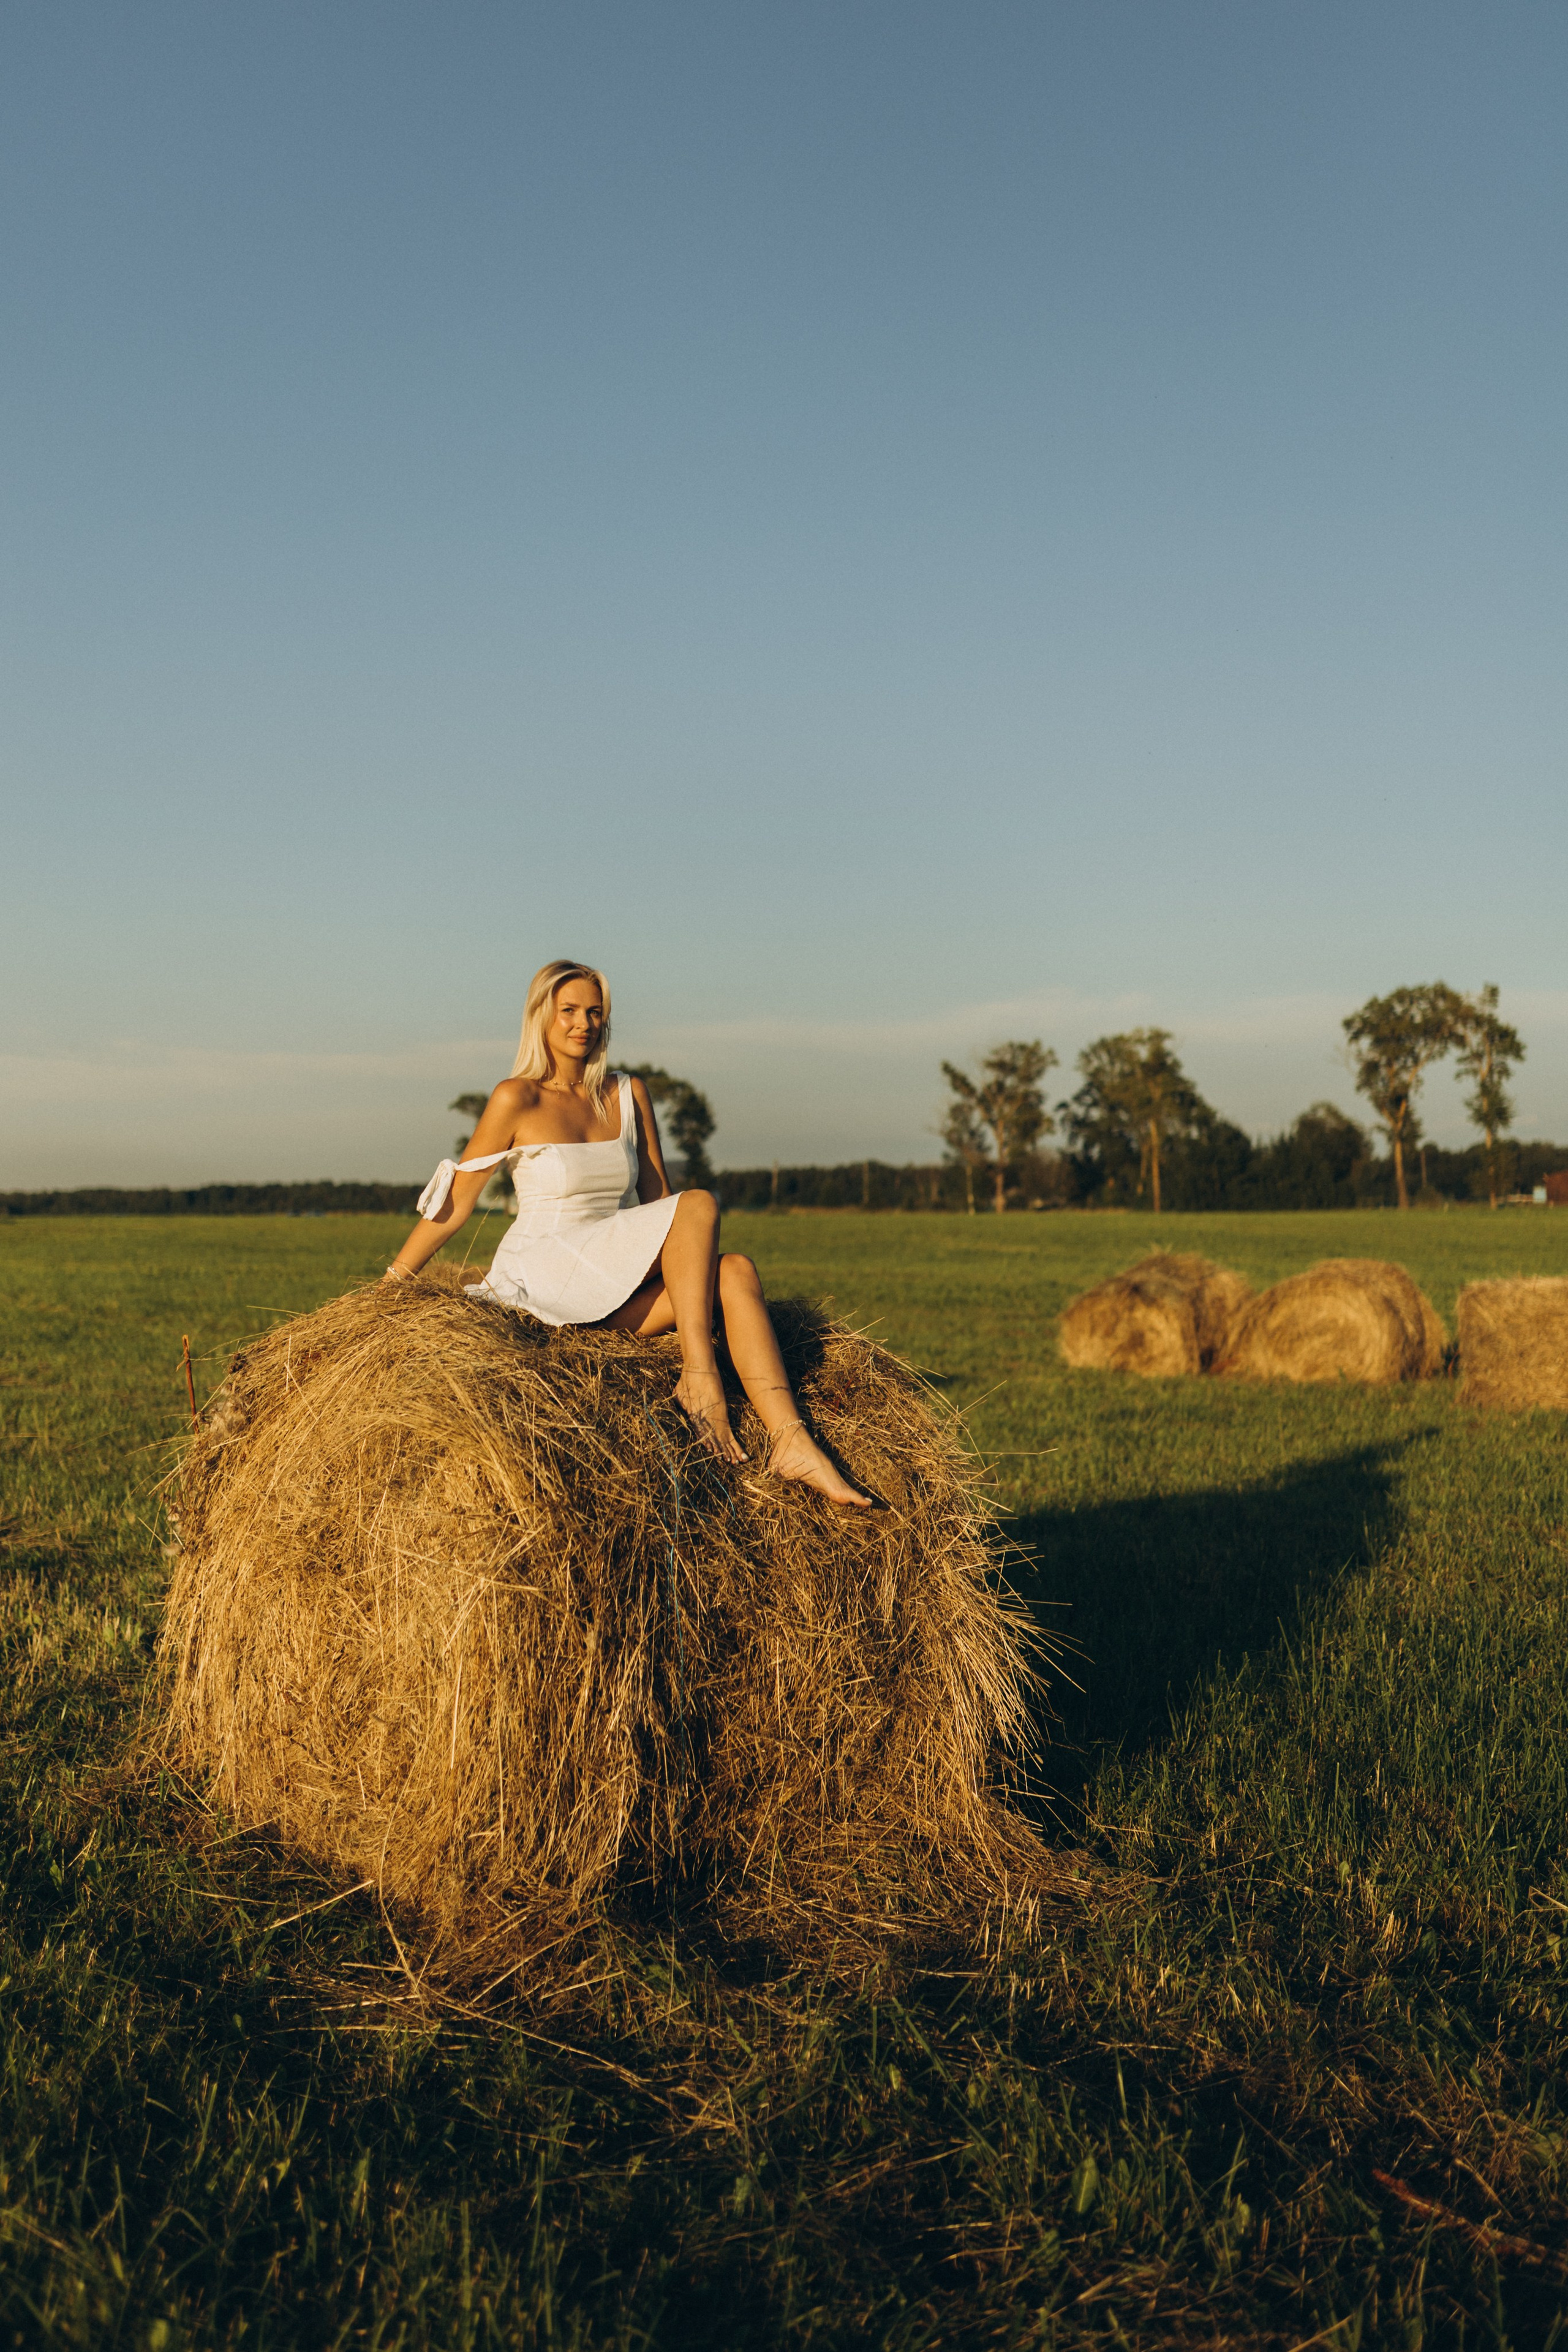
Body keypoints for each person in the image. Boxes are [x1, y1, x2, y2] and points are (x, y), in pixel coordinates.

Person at [385, 959, 872, 1509]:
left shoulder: (626, 1093)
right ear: (541, 1017)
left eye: (595, 1012)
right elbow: (456, 1204)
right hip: (546, 1272)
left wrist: (692, 1272)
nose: (583, 1023)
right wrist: (394, 1283)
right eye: (568, 1011)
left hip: (608, 1272)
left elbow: (659, 1202)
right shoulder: (515, 1098)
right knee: (701, 1203)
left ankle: (792, 1441)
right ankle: (699, 1375)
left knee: (734, 1272)